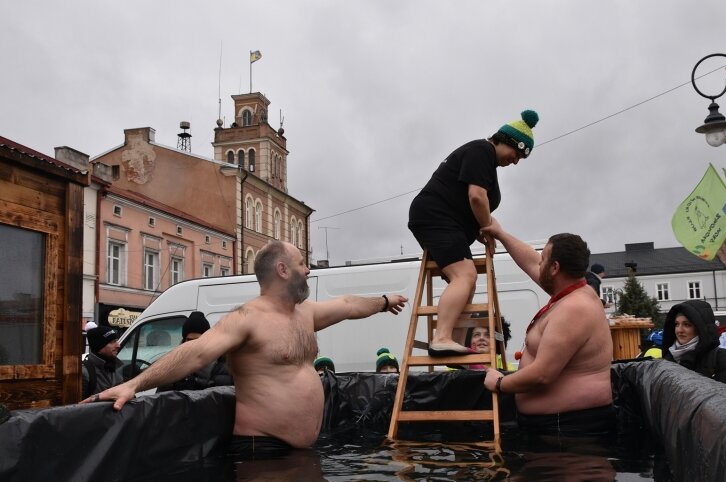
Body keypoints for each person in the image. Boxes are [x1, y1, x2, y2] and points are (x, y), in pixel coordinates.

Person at [82, 240, 407, 456]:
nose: (308, 270)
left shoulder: (305, 314)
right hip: (262, 450)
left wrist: (383, 301)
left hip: (302, 452)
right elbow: (194, 353)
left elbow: (348, 304)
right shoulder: (247, 318)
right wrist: (134, 384)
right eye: (301, 263)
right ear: (283, 270)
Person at [407, 110, 539, 356]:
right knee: (464, 275)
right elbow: (477, 197)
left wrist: (477, 227)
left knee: (466, 282)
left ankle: (450, 340)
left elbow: (467, 202)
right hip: (436, 217)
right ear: (507, 141)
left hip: (445, 221)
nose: (516, 160)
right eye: (517, 154)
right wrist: (488, 228)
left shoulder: (484, 159)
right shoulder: (482, 152)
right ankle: (442, 337)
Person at [479, 219, 615, 437]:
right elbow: (531, 262)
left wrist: (500, 383)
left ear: (555, 268)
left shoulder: (574, 308)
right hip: (560, 427)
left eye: (544, 259)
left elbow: (543, 375)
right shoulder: (572, 290)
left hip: (570, 431)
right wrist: (500, 233)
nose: (538, 263)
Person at [660, 300, 726, 393]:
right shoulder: (668, 358)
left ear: (700, 328)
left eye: (687, 324)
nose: (679, 330)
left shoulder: (721, 358)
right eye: (676, 324)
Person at [157, 311, 233, 392]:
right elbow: (161, 399)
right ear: (184, 340)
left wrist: (205, 381)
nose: (193, 344)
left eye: (197, 340)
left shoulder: (224, 365)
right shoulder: (173, 365)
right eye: (189, 340)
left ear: (206, 339)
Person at [82, 326, 124, 400]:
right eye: (112, 342)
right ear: (99, 346)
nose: (118, 345)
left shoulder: (117, 367)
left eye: (117, 341)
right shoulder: (85, 372)